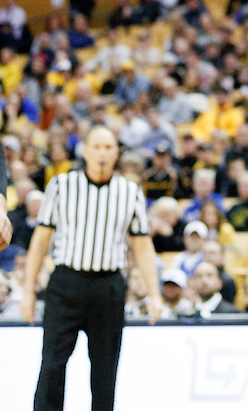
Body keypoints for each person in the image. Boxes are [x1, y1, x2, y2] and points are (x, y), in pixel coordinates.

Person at [21, 126, 162, 411]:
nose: (102, 153)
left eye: (108, 147)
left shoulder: (130, 191)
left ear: (116, 153)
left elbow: (143, 246)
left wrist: (155, 293)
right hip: (65, 284)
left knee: (104, 372)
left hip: (108, 287)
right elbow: (40, 242)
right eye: (96, 147)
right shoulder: (61, 186)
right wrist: (27, 291)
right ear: (85, 152)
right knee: (51, 366)